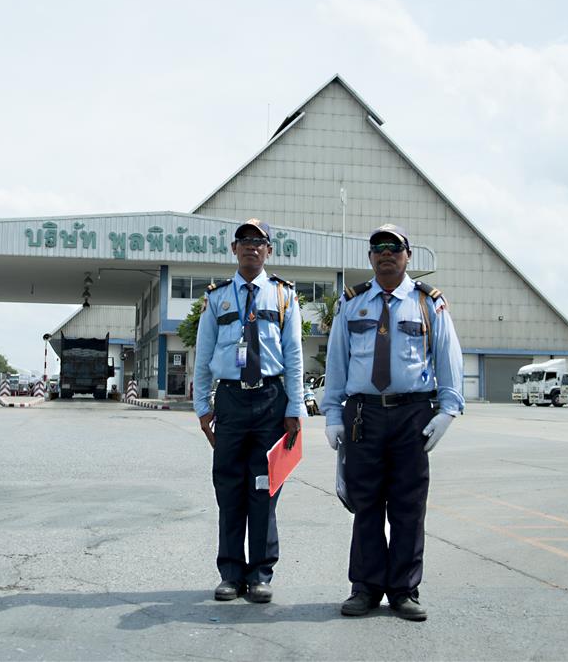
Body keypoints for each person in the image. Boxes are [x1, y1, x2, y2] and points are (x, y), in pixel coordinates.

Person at [322, 223, 464, 620]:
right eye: (378, 248)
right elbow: (337, 362)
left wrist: (448, 411)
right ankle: (365, 588)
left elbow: (448, 359)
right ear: (370, 257)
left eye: (395, 248)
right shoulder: (352, 303)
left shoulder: (427, 303)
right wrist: (332, 414)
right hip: (363, 414)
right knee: (365, 504)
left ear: (408, 256)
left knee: (407, 506)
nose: (386, 254)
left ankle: (404, 590)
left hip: (411, 414)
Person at [193, 218, 306, 604]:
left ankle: (259, 574)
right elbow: (203, 355)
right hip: (230, 401)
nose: (251, 247)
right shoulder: (217, 298)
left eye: (258, 242)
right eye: (244, 241)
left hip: (271, 402)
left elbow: (293, 357)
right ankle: (230, 573)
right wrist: (201, 407)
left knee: (264, 488)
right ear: (234, 249)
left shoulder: (284, 297)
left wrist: (295, 407)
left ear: (269, 250)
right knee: (228, 488)